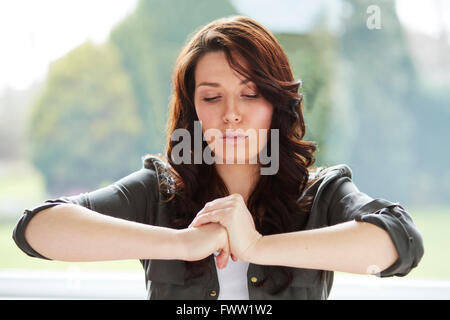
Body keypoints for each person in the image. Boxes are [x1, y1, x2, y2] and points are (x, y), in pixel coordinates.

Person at [12, 15, 424, 300]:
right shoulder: (159, 191)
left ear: (276, 104)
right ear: (194, 110)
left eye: (250, 94)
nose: (231, 113)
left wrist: (257, 245)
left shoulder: (319, 195)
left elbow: (399, 244)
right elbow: (37, 229)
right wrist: (184, 242)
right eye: (212, 97)